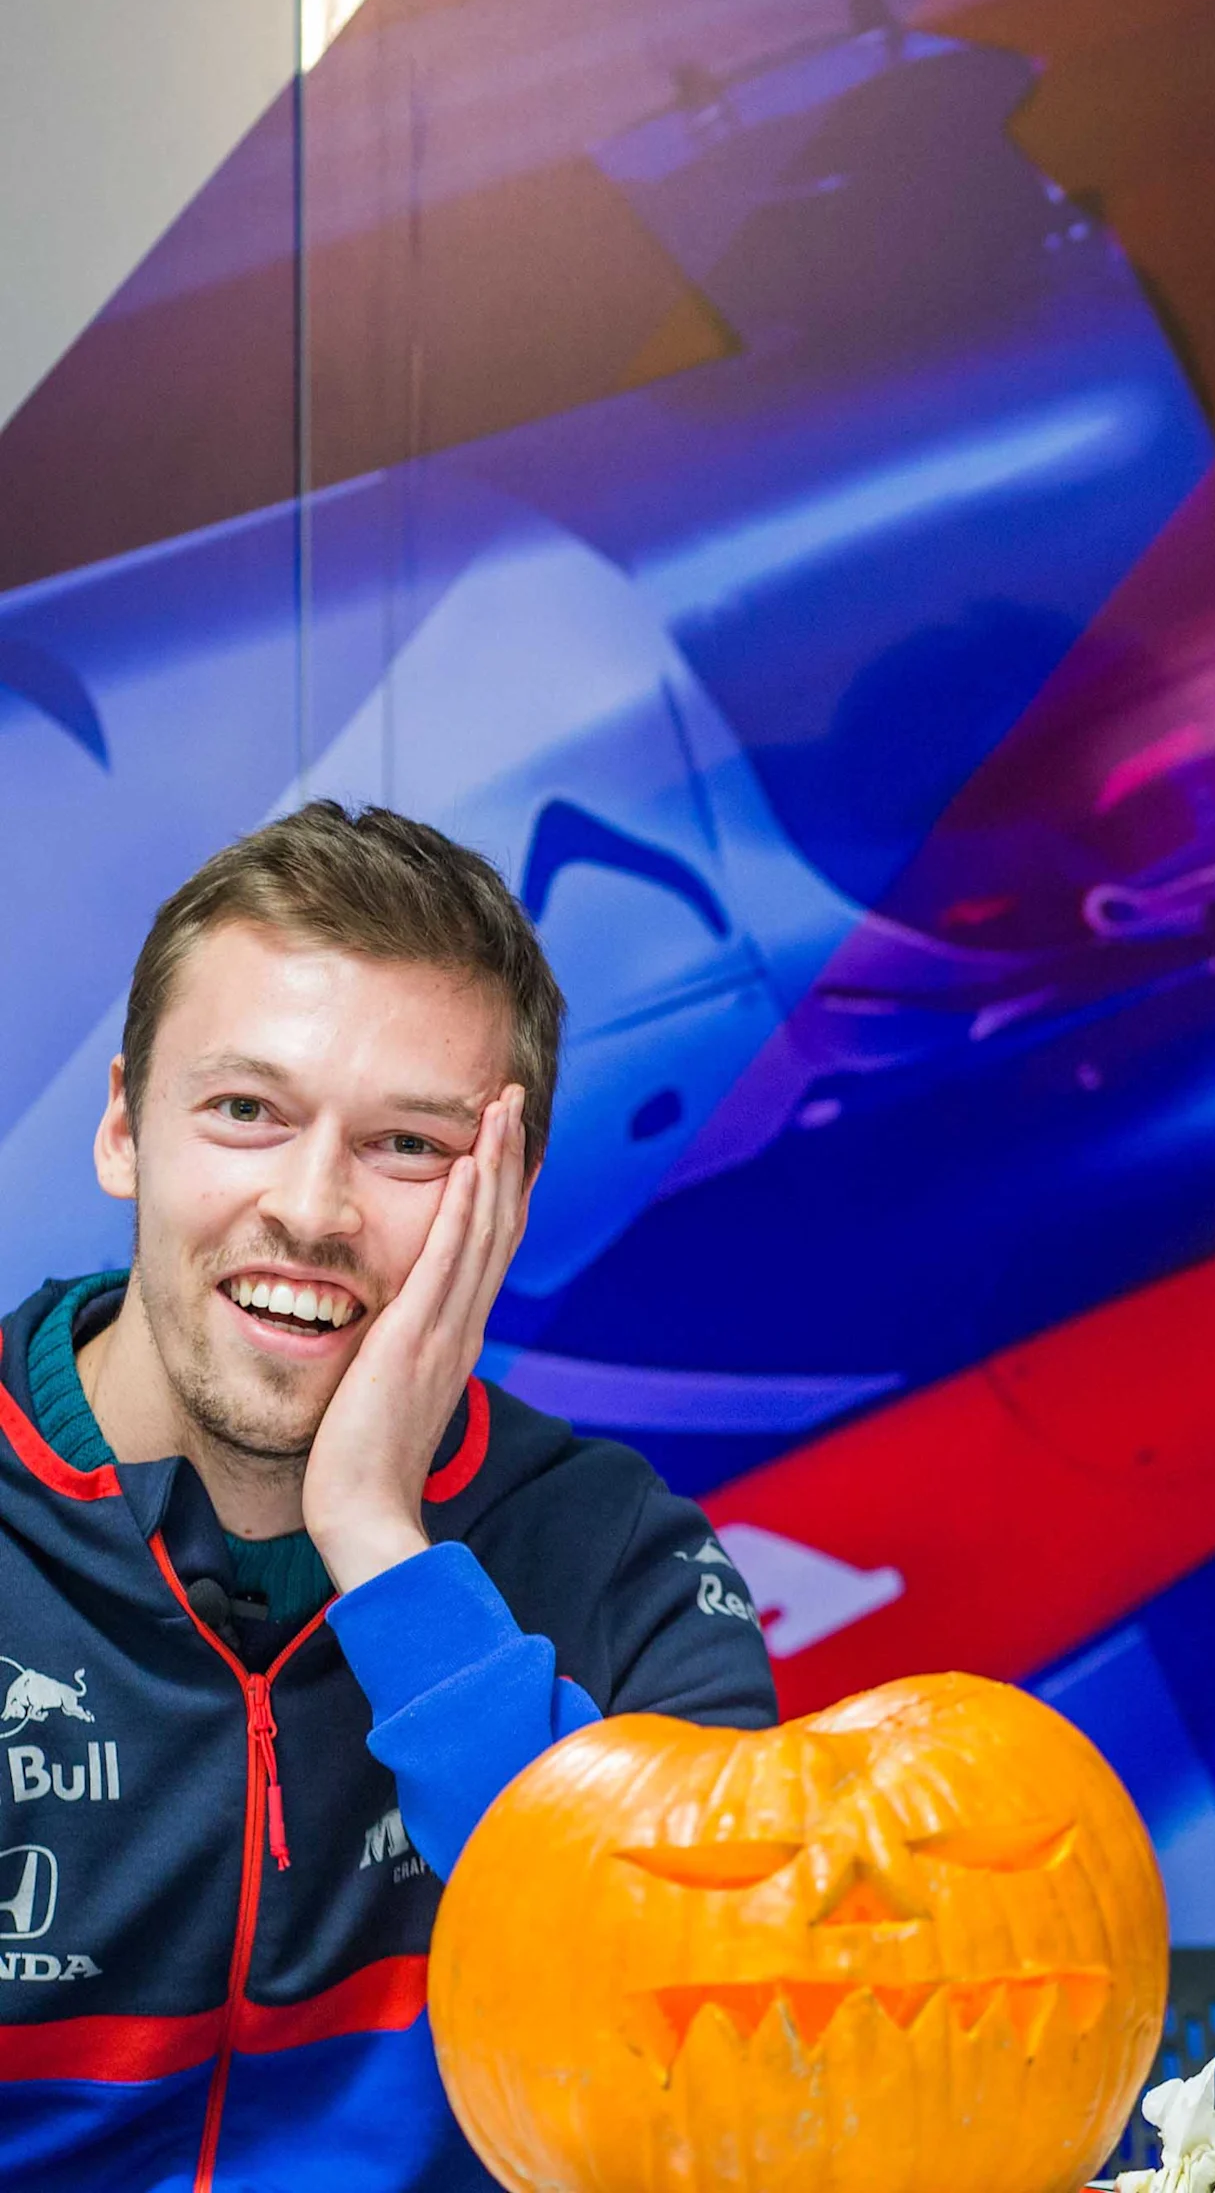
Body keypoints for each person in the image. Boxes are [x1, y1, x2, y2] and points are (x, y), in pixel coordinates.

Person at [0, 803, 777, 2191]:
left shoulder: (623, 1561)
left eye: (408, 1146)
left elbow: (709, 2077)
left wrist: (378, 1543)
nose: (310, 1208)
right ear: (125, 1126)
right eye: (246, 1111)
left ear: (511, 1197)